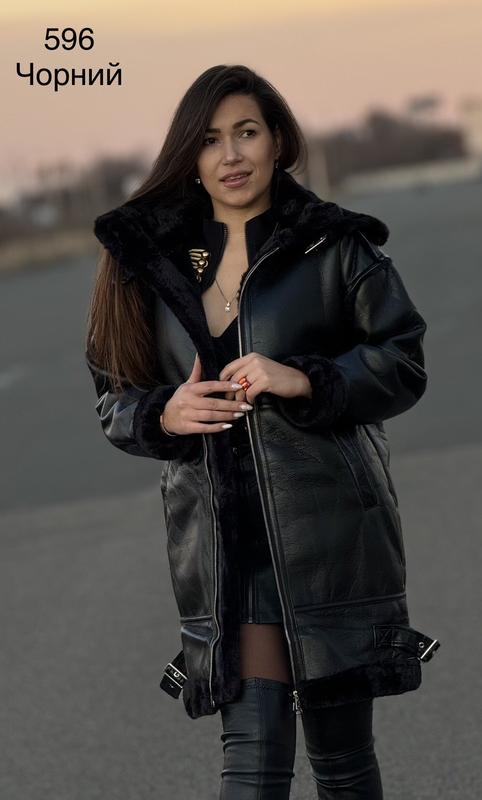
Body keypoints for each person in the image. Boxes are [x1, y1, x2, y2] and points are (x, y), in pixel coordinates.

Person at [85, 64, 440, 799]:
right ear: (190, 155)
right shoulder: (151, 265)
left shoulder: (332, 247)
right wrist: (164, 413)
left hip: (331, 543)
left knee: (343, 764)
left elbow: (403, 360)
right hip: (227, 556)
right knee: (251, 766)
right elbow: (114, 396)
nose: (231, 155)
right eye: (210, 139)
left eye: (246, 132)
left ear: (278, 140)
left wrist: (305, 378)